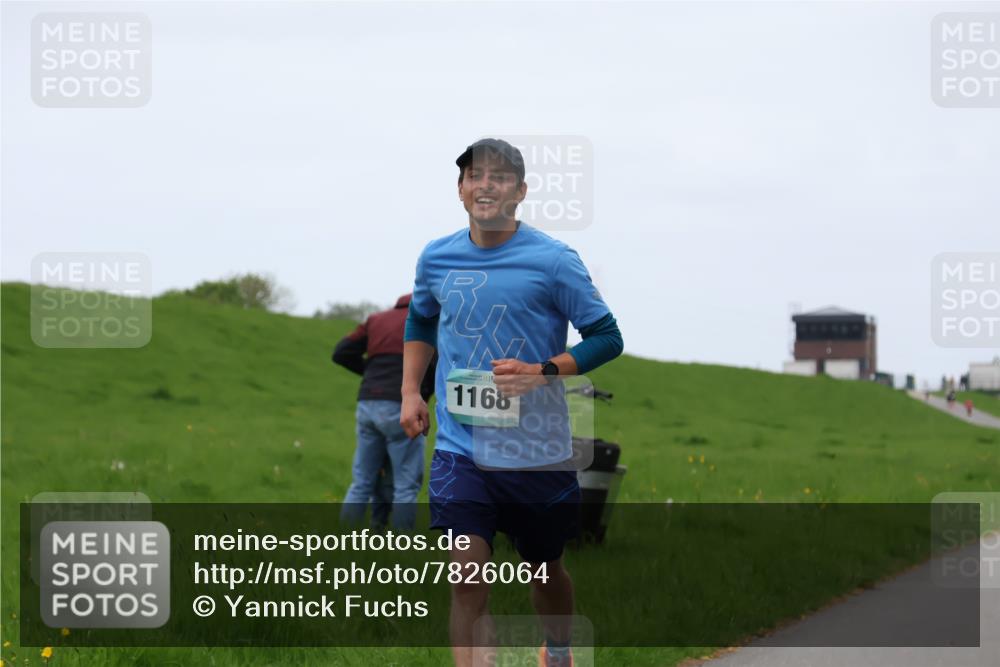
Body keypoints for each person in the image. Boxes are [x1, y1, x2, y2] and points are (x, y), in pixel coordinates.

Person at [400, 138, 624, 667]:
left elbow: (606, 336)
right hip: (461, 447)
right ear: (460, 189)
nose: (485, 185)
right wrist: (412, 390)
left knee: (545, 569)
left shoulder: (554, 261)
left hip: (537, 453)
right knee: (467, 577)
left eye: (499, 178)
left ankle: (560, 650)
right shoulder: (436, 256)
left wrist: (544, 370)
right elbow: (422, 320)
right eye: (474, 176)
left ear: (520, 192)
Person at [333, 293, 436, 530]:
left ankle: (341, 539)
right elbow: (437, 363)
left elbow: (341, 352)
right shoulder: (428, 323)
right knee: (406, 485)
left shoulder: (376, 320)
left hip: (368, 404)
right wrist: (423, 390)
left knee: (362, 482)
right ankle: (402, 546)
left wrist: (371, 373)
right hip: (402, 407)